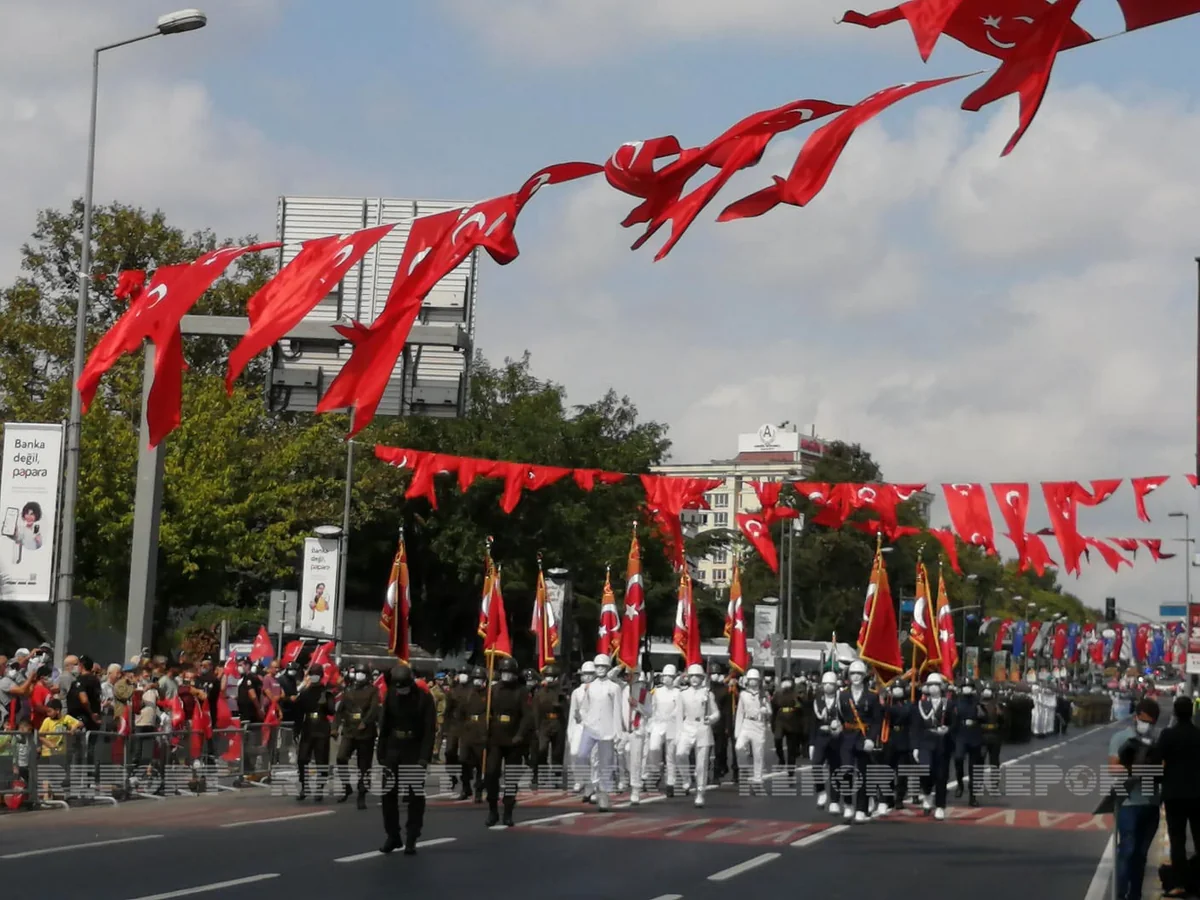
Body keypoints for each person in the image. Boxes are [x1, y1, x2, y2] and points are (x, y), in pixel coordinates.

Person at [377, 663, 436, 855]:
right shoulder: (391, 696)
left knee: (414, 795)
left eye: (404, 687)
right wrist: (381, 752)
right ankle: (393, 835)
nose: (400, 690)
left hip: (414, 747)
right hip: (394, 746)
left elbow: (429, 731)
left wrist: (424, 758)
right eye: (397, 686)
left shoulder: (424, 699)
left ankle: (412, 836)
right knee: (388, 794)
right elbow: (384, 725)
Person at [1109, 698, 1163, 900]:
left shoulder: (1158, 741)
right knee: (1127, 851)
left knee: (1140, 856)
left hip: (1151, 804)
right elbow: (1112, 767)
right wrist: (1132, 767)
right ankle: (1121, 893)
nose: (1147, 725)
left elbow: (1164, 768)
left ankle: (1135, 895)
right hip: (1128, 804)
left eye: (1151, 722)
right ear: (1136, 717)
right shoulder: (1121, 738)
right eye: (1145, 720)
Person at [1155, 695, 1200, 897]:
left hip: (1174, 795)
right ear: (1192, 713)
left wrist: (1159, 782)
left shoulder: (1167, 735)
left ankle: (1179, 884)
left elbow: (1156, 761)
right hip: (1198, 795)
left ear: (1174, 712)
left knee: (1177, 840)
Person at [484, 656, 531, 826]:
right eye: (504, 672)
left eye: (510, 673)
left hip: (513, 740)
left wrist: (520, 735)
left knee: (511, 778)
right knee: (490, 774)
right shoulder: (493, 690)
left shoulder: (522, 691)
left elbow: (527, 716)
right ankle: (492, 810)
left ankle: (508, 811)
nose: (507, 676)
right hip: (495, 739)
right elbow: (486, 712)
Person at [574, 654, 623, 812]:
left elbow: (617, 711)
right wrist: (582, 716)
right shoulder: (591, 686)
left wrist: (618, 733)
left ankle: (603, 797)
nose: (600, 669)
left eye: (603, 666)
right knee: (580, 755)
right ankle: (590, 784)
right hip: (590, 728)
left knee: (605, 764)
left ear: (608, 668)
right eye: (598, 666)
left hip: (607, 731)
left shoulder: (614, 688)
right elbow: (585, 706)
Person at [836, 660, 880, 823]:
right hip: (847, 736)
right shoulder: (842, 695)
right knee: (846, 772)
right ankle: (848, 804)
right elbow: (839, 716)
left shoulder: (872, 696)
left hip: (864, 737)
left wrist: (871, 739)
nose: (855, 677)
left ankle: (861, 808)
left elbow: (877, 721)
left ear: (864, 676)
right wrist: (836, 725)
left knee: (862, 774)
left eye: (859, 674)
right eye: (853, 674)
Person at [336, 664, 380, 809]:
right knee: (341, 758)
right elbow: (340, 710)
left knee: (364, 766)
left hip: (366, 733)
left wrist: (365, 722)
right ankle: (346, 786)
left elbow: (374, 709)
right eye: (358, 672)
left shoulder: (373, 690)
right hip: (349, 730)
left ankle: (362, 794)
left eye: (362, 673)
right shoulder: (348, 689)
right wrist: (334, 728)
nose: (359, 675)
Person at [675, 663, 719, 808]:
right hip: (687, 726)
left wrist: (711, 719)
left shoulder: (708, 693)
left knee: (702, 764)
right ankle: (686, 778)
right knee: (680, 753)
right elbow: (679, 715)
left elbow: (716, 713)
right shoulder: (682, 694)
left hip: (702, 727)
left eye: (697, 676)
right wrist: (678, 733)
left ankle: (700, 793)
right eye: (692, 676)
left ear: (702, 678)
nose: (694, 679)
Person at [294, 664, 335, 801]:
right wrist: (296, 730)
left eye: (317, 673)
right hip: (308, 728)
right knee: (302, 759)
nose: (315, 676)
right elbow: (298, 712)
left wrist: (326, 703)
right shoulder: (305, 692)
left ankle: (319, 788)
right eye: (313, 673)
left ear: (322, 675)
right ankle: (305, 787)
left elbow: (332, 710)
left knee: (321, 761)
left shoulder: (326, 692)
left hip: (322, 728)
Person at [914, 672, 951, 821]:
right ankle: (927, 794)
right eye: (930, 685)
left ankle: (940, 806)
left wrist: (948, 729)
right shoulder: (921, 704)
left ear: (941, 687)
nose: (933, 688)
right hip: (925, 742)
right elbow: (916, 727)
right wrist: (915, 746)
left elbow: (955, 723)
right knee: (925, 770)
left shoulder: (949, 704)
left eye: (936, 684)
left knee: (941, 776)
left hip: (942, 743)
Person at [734, 668, 771, 794]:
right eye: (750, 680)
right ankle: (743, 768)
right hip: (746, 723)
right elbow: (740, 712)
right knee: (739, 747)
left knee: (758, 755)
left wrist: (766, 711)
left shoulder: (763, 695)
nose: (752, 682)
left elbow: (770, 711)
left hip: (759, 725)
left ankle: (757, 781)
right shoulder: (744, 695)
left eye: (755, 679)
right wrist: (737, 731)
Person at [530, 665, 567, 791]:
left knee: (557, 753)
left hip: (558, 723)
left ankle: (557, 778)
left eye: (552, 677)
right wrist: (536, 727)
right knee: (541, 750)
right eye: (548, 677)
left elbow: (567, 709)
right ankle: (538, 775)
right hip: (544, 723)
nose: (550, 679)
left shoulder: (561, 691)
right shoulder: (539, 693)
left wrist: (560, 704)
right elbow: (535, 711)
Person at [811, 670, 842, 814]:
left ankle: (834, 801)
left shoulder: (841, 698)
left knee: (835, 769)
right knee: (816, 764)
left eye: (831, 684)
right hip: (821, 736)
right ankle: (821, 791)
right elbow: (813, 723)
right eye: (825, 684)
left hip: (837, 738)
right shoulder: (817, 700)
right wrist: (811, 743)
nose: (828, 686)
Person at [648, 664, 681, 796]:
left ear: (674, 677)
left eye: (669, 676)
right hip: (658, 724)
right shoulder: (657, 691)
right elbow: (652, 707)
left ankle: (670, 782)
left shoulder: (678, 693)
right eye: (665, 676)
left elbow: (679, 710)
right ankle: (657, 771)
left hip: (672, 725)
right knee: (653, 748)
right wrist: (651, 724)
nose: (666, 678)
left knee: (670, 755)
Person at [951, 679, 984, 807]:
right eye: (964, 686)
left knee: (973, 768)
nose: (967, 689)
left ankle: (972, 796)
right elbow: (953, 720)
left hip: (974, 735)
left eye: (969, 687)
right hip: (961, 735)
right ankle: (960, 783)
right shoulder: (957, 702)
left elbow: (983, 718)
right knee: (958, 759)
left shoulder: (977, 702)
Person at [622, 669, 651, 804]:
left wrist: (637, 705)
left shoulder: (644, 693)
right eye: (626, 674)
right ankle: (625, 778)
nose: (627, 677)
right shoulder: (623, 690)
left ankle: (635, 789)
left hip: (637, 729)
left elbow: (649, 712)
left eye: (630, 674)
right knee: (621, 753)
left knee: (636, 760)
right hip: (623, 730)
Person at [771, 673, 803, 774]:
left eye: (788, 680)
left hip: (793, 720)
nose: (786, 682)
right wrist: (773, 724)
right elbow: (774, 709)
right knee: (777, 740)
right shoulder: (778, 694)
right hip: (780, 720)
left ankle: (791, 771)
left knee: (791, 748)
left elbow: (801, 706)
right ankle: (781, 759)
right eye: (784, 680)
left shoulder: (796, 693)